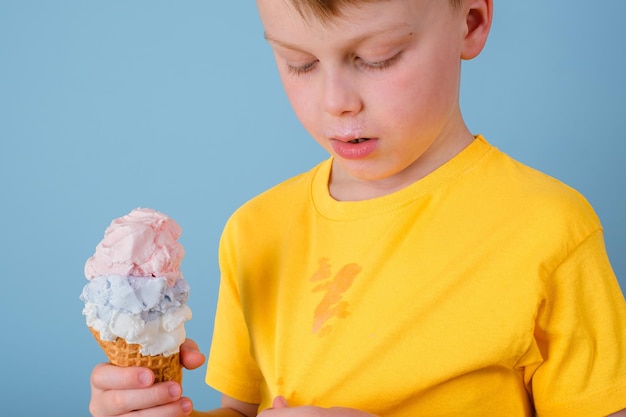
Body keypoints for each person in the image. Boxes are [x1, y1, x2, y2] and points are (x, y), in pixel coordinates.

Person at [88, 0, 626, 416]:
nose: (336, 101)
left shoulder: (548, 228)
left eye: (376, 57)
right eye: (299, 63)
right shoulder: (255, 230)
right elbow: (242, 409)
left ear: (470, 22)